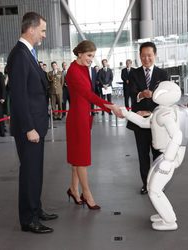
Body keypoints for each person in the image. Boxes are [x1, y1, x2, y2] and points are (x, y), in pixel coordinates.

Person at [108, 81, 188, 231]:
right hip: (164, 155)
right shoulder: (162, 110)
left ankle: (170, 221)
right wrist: (127, 113)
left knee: (154, 190)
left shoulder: (165, 113)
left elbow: (177, 135)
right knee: (151, 184)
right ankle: (164, 214)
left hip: (168, 157)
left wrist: (169, 159)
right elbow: (146, 123)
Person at [7, 11, 58, 234]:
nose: (44, 35)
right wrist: (29, 128)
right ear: (31, 29)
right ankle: (28, 219)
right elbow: (18, 96)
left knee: (35, 171)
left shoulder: (29, 52)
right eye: (43, 30)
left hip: (36, 125)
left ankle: (36, 210)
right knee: (29, 172)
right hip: (30, 128)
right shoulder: (19, 55)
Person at [65, 40, 122, 209]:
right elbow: (88, 94)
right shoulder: (74, 71)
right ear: (80, 53)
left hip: (83, 117)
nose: (92, 59)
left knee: (77, 158)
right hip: (77, 119)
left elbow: (88, 95)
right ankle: (87, 194)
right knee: (81, 159)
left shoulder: (83, 68)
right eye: (89, 55)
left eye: (93, 56)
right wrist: (110, 106)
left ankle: (74, 189)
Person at [127, 42, 169, 194]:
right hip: (140, 122)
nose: (146, 58)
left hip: (157, 121)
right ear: (139, 56)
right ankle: (146, 184)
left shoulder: (163, 74)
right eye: (143, 55)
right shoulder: (134, 73)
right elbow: (132, 94)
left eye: (149, 55)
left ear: (155, 55)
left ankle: (158, 184)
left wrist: (152, 110)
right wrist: (141, 94)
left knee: (159, 155)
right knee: (143, 154)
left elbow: (167, 97)